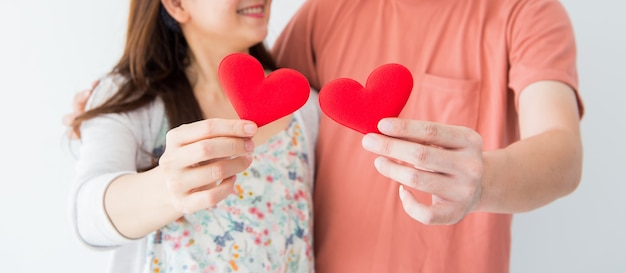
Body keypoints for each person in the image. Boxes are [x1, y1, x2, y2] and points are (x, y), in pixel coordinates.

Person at [66, 0, 584, 272]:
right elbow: (93, 206)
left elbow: (561, 153)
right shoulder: (326, 13)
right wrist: (109, 119)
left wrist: (485, 179)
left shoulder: (526, 13)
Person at [68, 0, 319, 272]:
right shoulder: (131, 100)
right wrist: (168, 186)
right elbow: (87, 217)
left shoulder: (305, 108)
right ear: (176, 4)